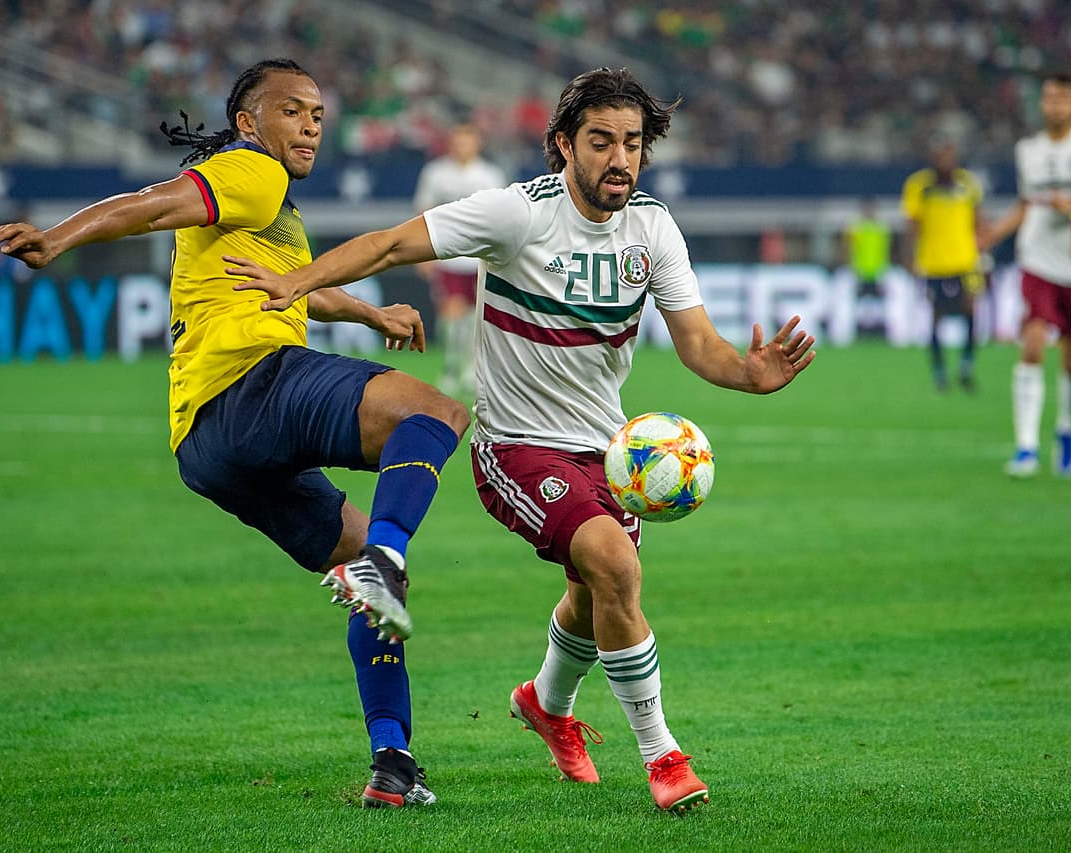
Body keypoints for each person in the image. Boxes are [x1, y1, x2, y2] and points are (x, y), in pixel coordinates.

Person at [224, 66, 816, 814]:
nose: (620, 159)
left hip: (608, 450)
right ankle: (663, 754)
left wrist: (747, 373)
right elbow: (389, 245)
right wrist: (299, 280)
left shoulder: (653, 227)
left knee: (592, 591)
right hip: (515, 447)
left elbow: (698, 343)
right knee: (612, 564)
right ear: (563, 144)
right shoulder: (515, 214)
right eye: (601, 141)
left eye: (632, 143)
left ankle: (544, 702)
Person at [0, 59, 471, 809]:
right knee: (434, 416)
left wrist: (372, 314)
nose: (312, 124)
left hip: (205, 448)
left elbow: (291, 281)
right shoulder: (251, 170)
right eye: (293, 110)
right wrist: (56, 238)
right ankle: (386, 557)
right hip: (251, 385)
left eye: (318, 112)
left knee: (369, 570)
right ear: (250, 122)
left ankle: (393, 765)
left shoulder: (260, 201)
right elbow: (151, 204)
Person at [980, 72, 1071, 478]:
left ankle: (1067, 431)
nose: (1054, 105)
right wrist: (995, 232)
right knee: (1033, 344)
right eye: (1049, 98)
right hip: (1036, 258)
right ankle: (1026, 448)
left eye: (1062, 98)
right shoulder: (1028, 150)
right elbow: (1026, 203)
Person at [413, 121, 507, 397]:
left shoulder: (490, 175)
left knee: (478, 319)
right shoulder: (436, 173)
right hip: (448, 256)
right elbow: (424, 212)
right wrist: (423, 255)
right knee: (452, 317)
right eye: (458, 140)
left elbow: (501, 216)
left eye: (468, 140)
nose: (462, 146)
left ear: (477, 142)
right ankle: (452, 367)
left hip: (481, 258)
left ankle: (472, 369)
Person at [900, 140, 984, 392]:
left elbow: (978, 220)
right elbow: (911, 224)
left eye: (949, 155)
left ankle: (966, 367)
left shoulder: (968, 183)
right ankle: (939, 372)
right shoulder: (918, 185)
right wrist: (909, 258)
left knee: (971, 311)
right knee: (936, 317)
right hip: (933, 262)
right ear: (933, 157)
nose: (945, 160)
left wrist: (983, 251)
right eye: (940, 155)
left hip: (965, 260)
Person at [842, 196, 891, 337]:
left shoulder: (881, 228)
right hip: (860, 271)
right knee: (859, 304)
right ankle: (859, 331)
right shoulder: (856, 228)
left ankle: (880, 331)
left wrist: (884, 268)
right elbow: (848, 248)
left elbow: (885, 250)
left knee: (880, 304)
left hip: (878, 272)